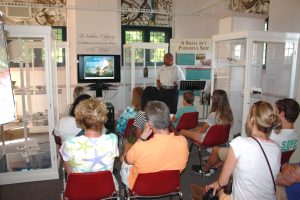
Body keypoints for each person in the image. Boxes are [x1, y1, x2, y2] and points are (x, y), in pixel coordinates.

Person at [203, 101, 282, 200]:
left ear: (251, 120)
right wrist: (218, 183)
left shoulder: (239, 143)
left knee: (219, 192)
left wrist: (219, 183)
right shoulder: (276, 148)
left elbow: (223, 182)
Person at [202, 98, 300, 177]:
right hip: (271, 166)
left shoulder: (273, 135)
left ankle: (205, 169)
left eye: (276, 111)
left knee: (216, 150)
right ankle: (216, 165)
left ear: (282, 114)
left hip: (255, 162)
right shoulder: (295, 135)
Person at [120, 101, 189, 189]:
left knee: (123, 157)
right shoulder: (183, 141)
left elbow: (127, 161)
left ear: (150, 124)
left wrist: (142, 138)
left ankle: (127, 191)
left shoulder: (140, 147)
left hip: (140, 186)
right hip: (169, 184)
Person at [59, 98, 119, 189]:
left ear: (79, 120)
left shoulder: (69, 144)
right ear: (103, 118)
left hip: (80, 190)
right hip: (106, 188)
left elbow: (68, 170)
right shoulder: (112, 140)